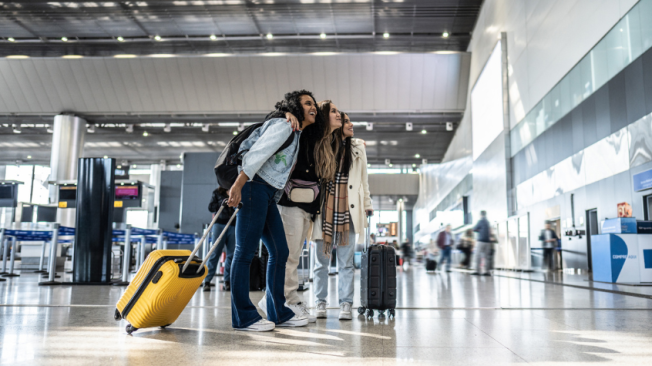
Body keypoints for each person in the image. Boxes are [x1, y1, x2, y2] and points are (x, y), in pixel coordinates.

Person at [226, 90, 318, 332]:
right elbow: (257, 154)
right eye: (308, 103)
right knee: (244, 252)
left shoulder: (295, 131)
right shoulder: (283, 125)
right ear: (296, 107)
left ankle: (279, 311)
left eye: (314, 104)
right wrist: (238, 185)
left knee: (280, 250)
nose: (314, 107)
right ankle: (243, 317)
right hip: (253, 187)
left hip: (266, 193)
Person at [257, 93, 338, 323]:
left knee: (292, 256)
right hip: (290, 202)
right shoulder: (305, 131)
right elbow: (272, 119)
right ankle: (284, 301)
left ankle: (283, 299)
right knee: (289, 256)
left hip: (306, 205)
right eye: (333, 111)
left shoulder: (323, 140)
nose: (339, 115)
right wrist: (285, 113)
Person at [313, 110, 373, 320]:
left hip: (349, 210)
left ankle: (346, 304)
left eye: (349, 121)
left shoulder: (357, 148)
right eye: (346, 121)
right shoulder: (322, 145)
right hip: (325, 210)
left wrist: (368, 203)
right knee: (321, 263)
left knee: (346, 263)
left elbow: (364, 180)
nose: (350, 124)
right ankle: (320, 302)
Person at [203, 187, 236, 292]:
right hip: (219, 224)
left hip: (233, 224)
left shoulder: (236, 190)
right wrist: (223, 203)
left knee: (231, 254)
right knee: (215, 253)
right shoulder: (217, 192)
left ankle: (227, 281)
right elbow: (210, 207)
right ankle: (207, 280)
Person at [472, 210, 491, 276]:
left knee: (477, 256)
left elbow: (474, 229)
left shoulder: (480, 221)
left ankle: (477, 271)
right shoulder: (488, 222)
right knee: (486, 256)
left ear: (481, 215)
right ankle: (487, 271)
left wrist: (479, 230)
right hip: (487, 241)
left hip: (481, 241)